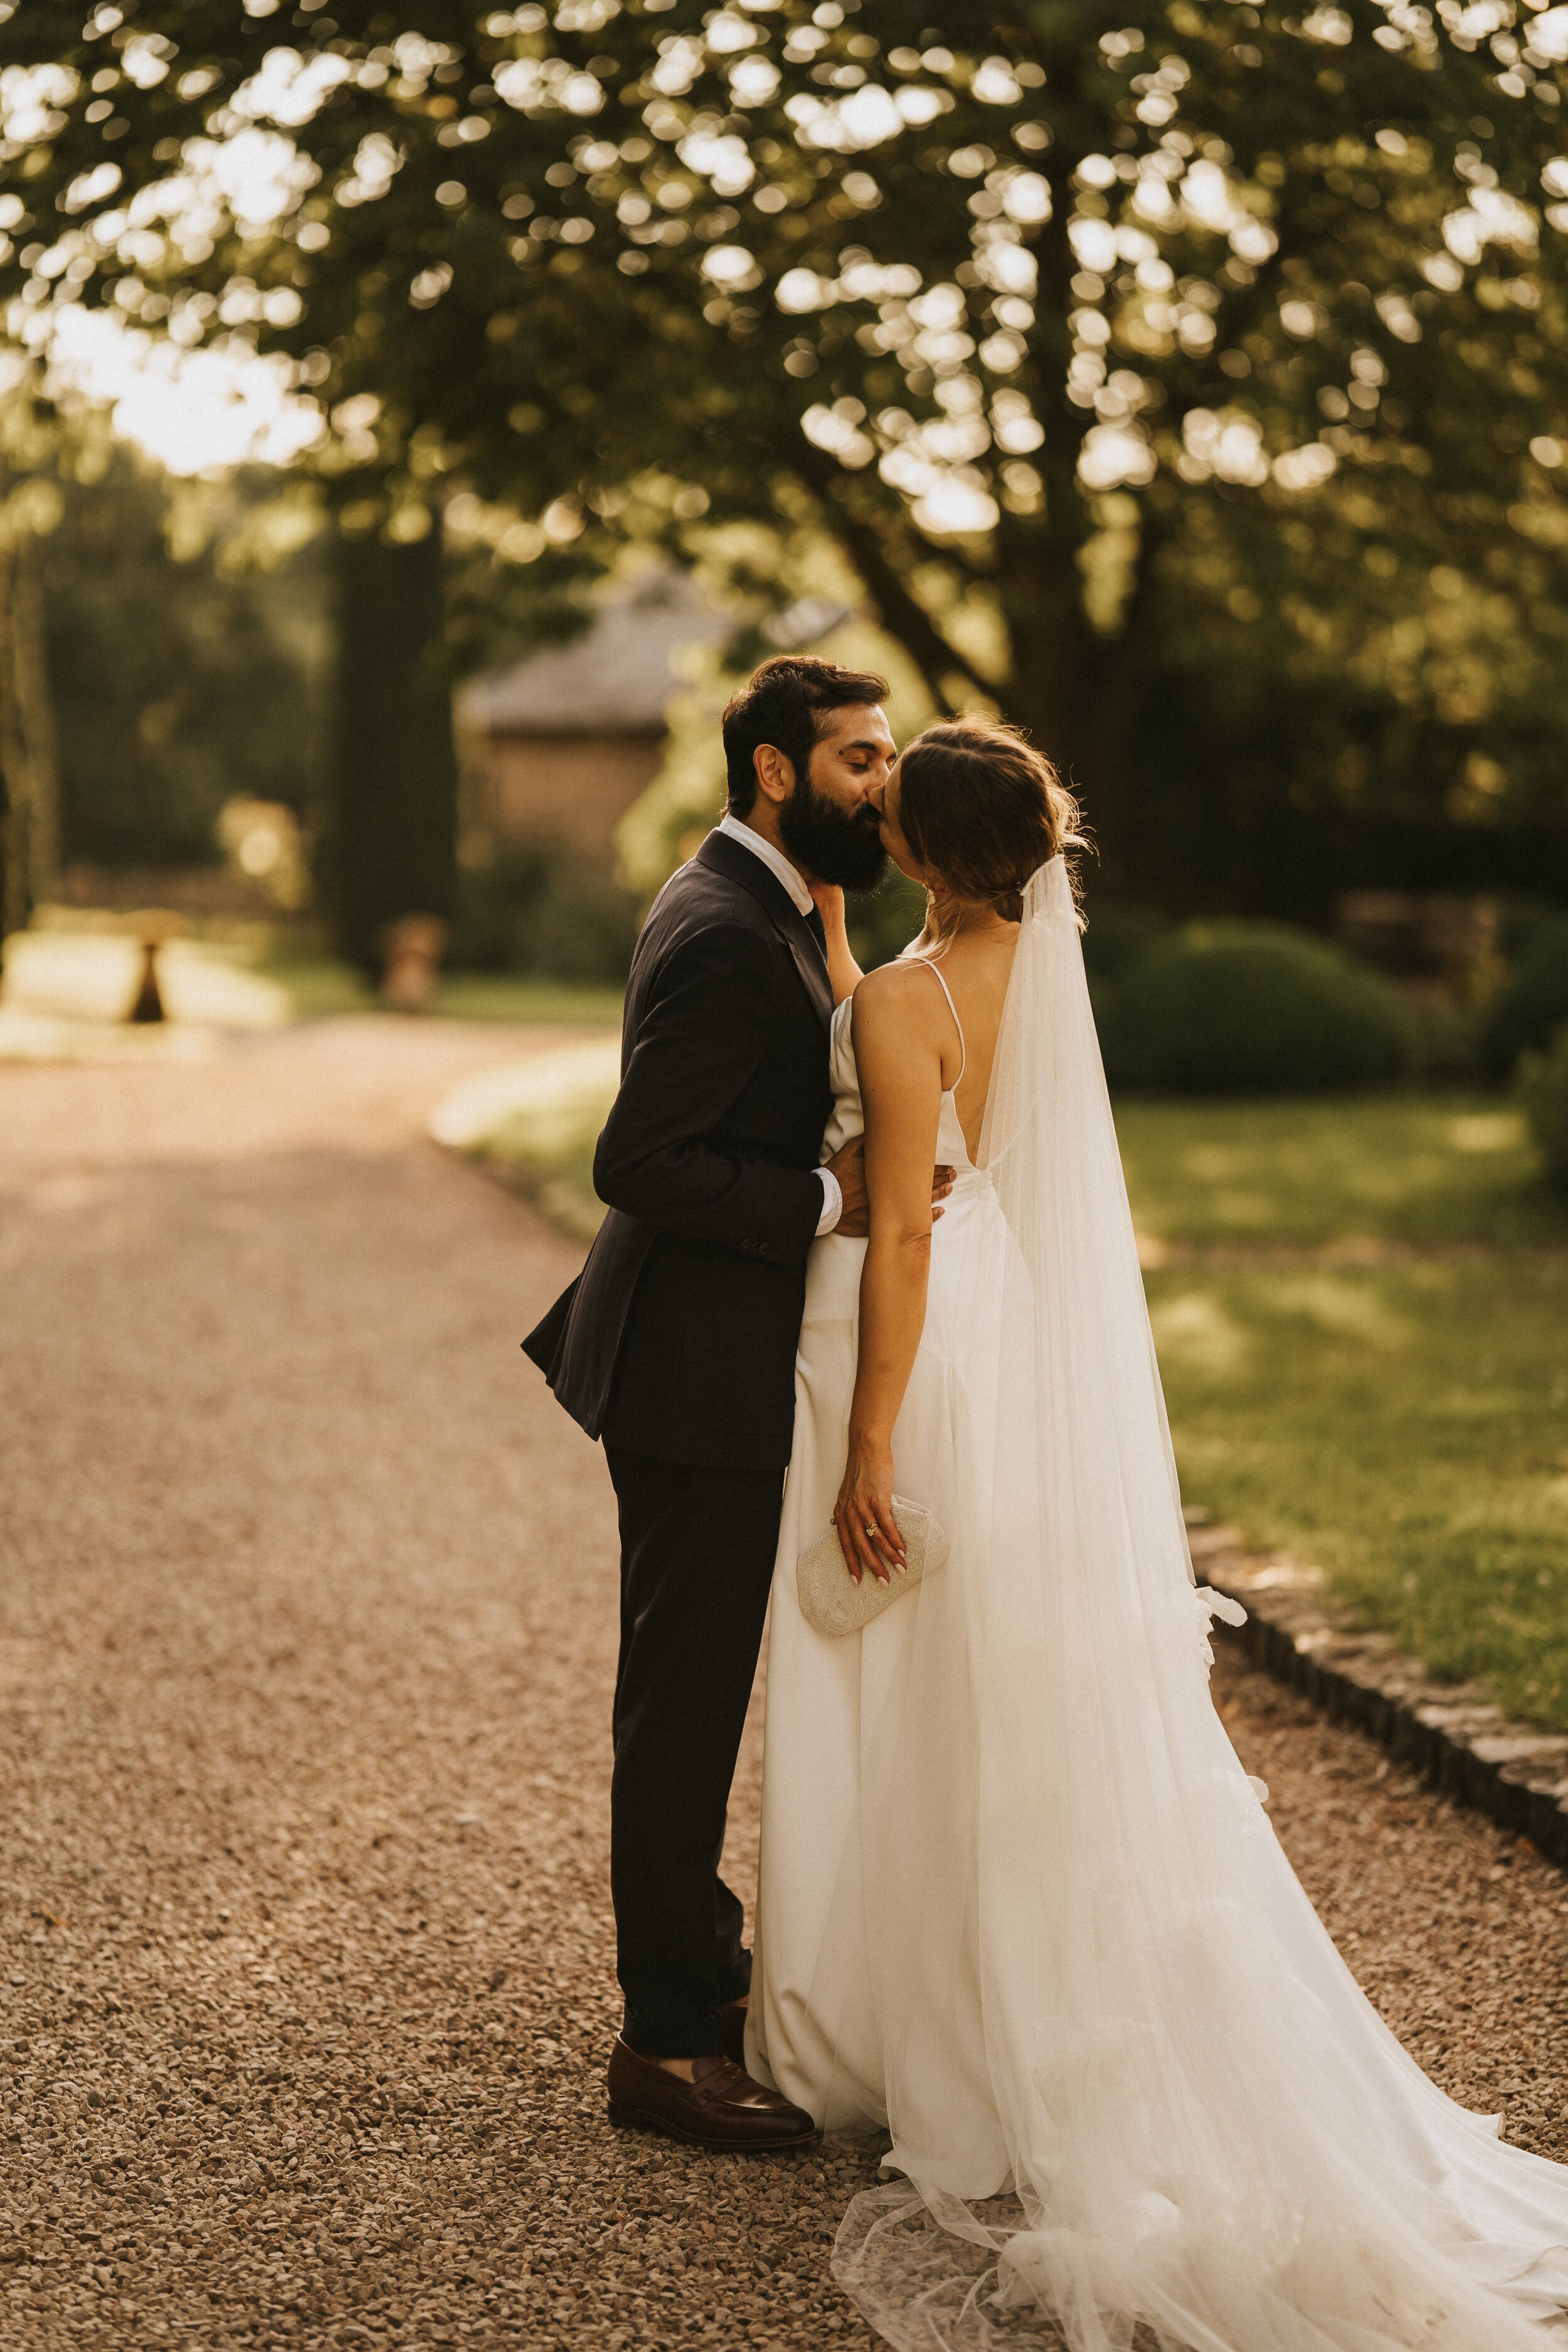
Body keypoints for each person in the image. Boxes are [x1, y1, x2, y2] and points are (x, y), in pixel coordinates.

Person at [750, 715, 1568, 2349]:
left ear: (918, 847)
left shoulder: (911, 1004)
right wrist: (852, 949)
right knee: (1003, 1679)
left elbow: (900, 1227)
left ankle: (948, 2041)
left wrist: (873, 1435)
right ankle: (985, 2015)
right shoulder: (997, 976)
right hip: (1022, 1332)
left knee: (929, 1667)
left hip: (939, 1346)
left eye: (890, 805)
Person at [522, 654, 951, 2154]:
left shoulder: (764, 899)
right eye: (855, 761)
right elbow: (639, 1162)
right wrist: (823, 1198)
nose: (881, 786)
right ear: (774, 771)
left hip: (705, 1356)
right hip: (689, 1372)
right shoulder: (718, 924)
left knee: (692, 1685)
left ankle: (700, 1979)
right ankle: (660, 2045)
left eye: (887, 758)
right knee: (684, 1700)